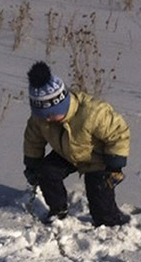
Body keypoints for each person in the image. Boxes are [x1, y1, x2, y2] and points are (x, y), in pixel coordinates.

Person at [23, 61, 131, 227]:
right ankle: (58, 210)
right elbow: (33, 139)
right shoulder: (40, 120)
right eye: (42, 116)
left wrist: (115, 165)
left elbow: (117, 133)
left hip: (97, 158)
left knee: (99, 195)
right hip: (65, 152)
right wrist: (32, 164)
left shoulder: (93, 112)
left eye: (50, 115)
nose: (46, 120)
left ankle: (111, 223)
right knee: (46, 172)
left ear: (62, 105)